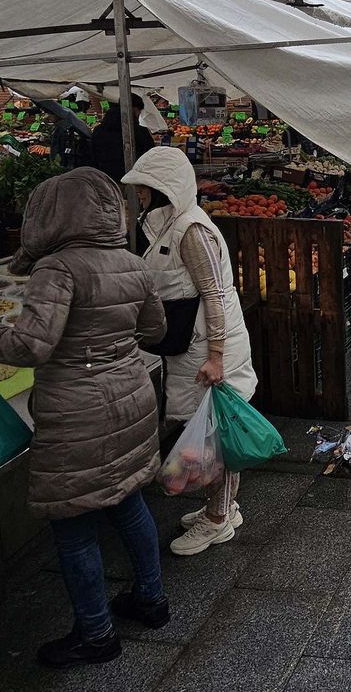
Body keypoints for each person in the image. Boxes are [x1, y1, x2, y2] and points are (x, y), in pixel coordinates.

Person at [0, 168, 170, 670]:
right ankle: (151, 601)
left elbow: (30, 345)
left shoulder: (58, 268)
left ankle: (96, 634)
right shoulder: (132, 261)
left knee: (72, 526)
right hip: (130, 395)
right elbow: (154, 330)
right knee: (129, 503)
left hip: (77, 410)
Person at [120, 147, 258, 556]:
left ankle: (217, 520)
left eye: (145, 188)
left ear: (165, 188)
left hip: (208, 348)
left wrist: (216, 355)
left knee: (215, 435)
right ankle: (223, 507)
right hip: (190, 344)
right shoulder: (168, 226)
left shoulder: (191, 230)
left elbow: (214, 295)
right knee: (208, 429)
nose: (141, 196)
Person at [88, 96, 156, 183]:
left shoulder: (98, 130)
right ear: (134, 109)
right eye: (138, 112)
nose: (139, 115)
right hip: (131, 180)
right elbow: (149, 155)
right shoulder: (138, 131)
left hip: (103, 179)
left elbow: (92, 153)